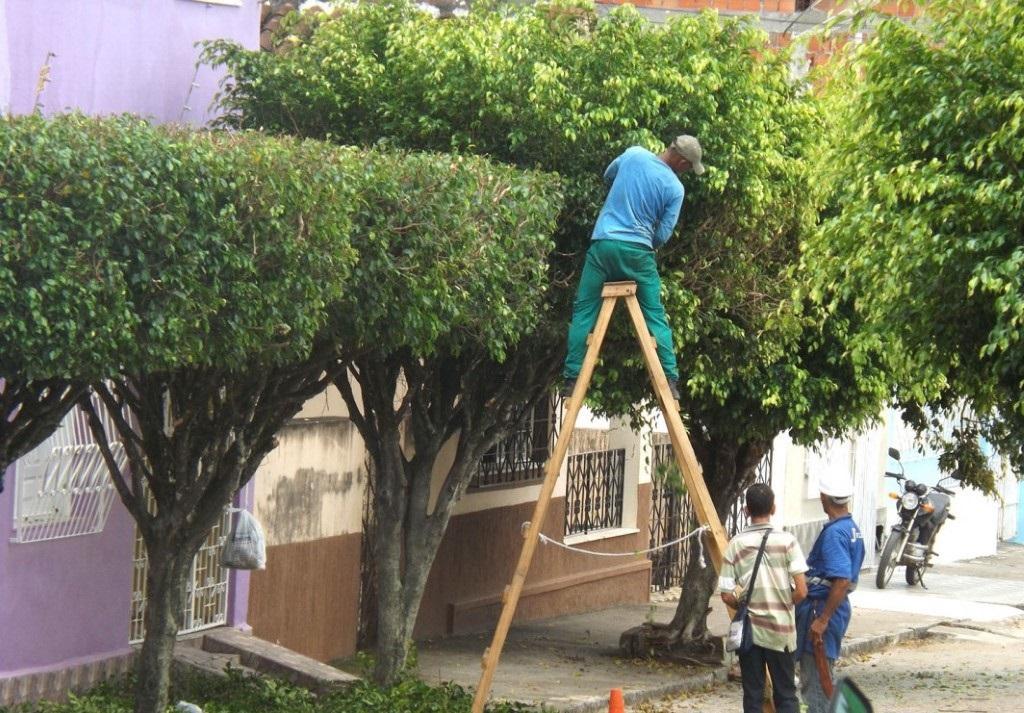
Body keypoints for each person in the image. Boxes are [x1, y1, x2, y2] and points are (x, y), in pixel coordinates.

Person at [562, 135, 705, 399]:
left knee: (584, 311)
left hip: (603, 245)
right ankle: (670, 381)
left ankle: (571, 379)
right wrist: (645, 243)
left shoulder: (634, 154)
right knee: (654, 315)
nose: (686, 172)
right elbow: (663, 233)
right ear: (681, 160)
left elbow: (608, 175)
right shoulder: (674, 188)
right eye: (688, 166)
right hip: (638, 252)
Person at [720, 483, 809, 713]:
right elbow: (801, 591)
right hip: (781, 631)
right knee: (786, 694)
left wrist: (742, 603)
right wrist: (782, 602)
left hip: (750, 633)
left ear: (745, 511)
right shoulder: (788, 542)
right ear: (774, 508)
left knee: (753, 694)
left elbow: (726, 594)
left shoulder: (735, 545)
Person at [795, 472, 866, 713]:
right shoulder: (851, 528)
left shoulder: (835, 533)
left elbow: (842, 579)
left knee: (816, 686)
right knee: (821, 681)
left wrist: (822, 619)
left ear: (824, 497)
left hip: (821, 612)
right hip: (831, 610)